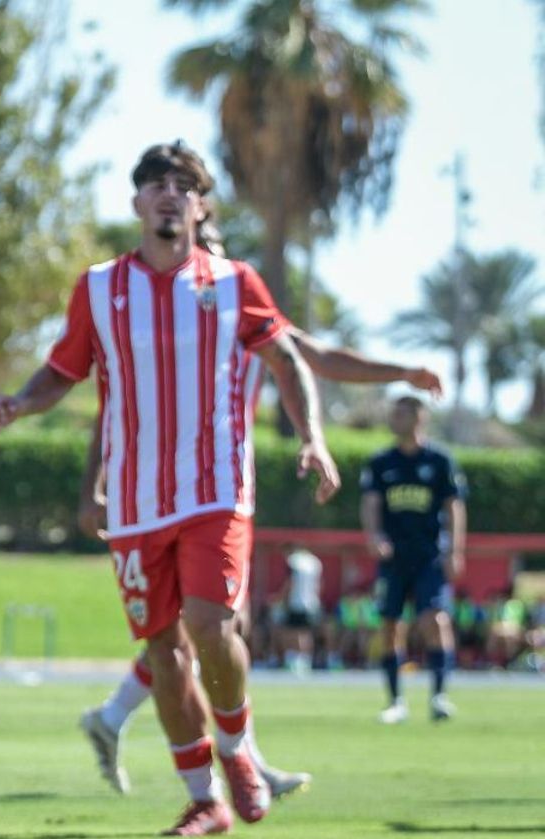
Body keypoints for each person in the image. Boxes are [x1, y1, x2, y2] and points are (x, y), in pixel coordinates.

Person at [0, 141, 341, 837]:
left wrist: (314, 437)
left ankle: (237, 749)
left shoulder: (235, 283)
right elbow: (64, 369)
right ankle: (204, 799)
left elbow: (290, 359)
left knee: (210, 626)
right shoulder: (99, 288)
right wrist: (21, 404)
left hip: (215, 490)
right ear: (137, 203)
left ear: (201, 206)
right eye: (155, 184)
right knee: (163, 652)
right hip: (134, 503)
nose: (169, 194)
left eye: (183, 185)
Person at [73, 207, 444, 800]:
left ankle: (134, 722)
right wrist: (93, 483)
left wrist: (400, 372)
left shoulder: (242, 309)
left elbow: (317, 358)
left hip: (221, 493)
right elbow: (115, 407)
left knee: (216, 628)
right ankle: (216, 756)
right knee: (202, 629)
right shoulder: (165, 318)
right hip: (167, 497)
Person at [363, 394, 467, 725]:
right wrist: (374, 536)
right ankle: (395, 701)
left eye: (402, 414)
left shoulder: (440, 460)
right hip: (394, 558)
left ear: (419, 418)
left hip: (429, 557)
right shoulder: (381, 462)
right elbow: (371, 503)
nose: (395, 420)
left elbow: (454, 506)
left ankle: (439, 696)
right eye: (394, 414)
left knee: (435, 620)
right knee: (390, 625)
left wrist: (455, 550)